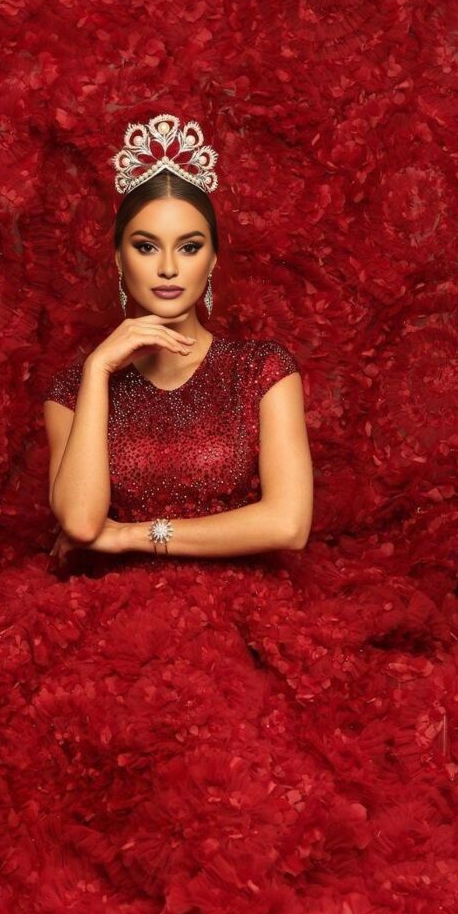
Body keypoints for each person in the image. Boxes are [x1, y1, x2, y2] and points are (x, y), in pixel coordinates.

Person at [44, 112, 313, 577]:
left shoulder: (262, 371)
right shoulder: (73, 390)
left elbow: (288, 525)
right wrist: (98, 370)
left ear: (212, 260)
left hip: (240, 600)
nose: (168, 267)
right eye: (146, 246)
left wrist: (132, 535)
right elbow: (82, 524)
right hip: (115, 605)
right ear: (119, 260)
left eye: (189, 247)